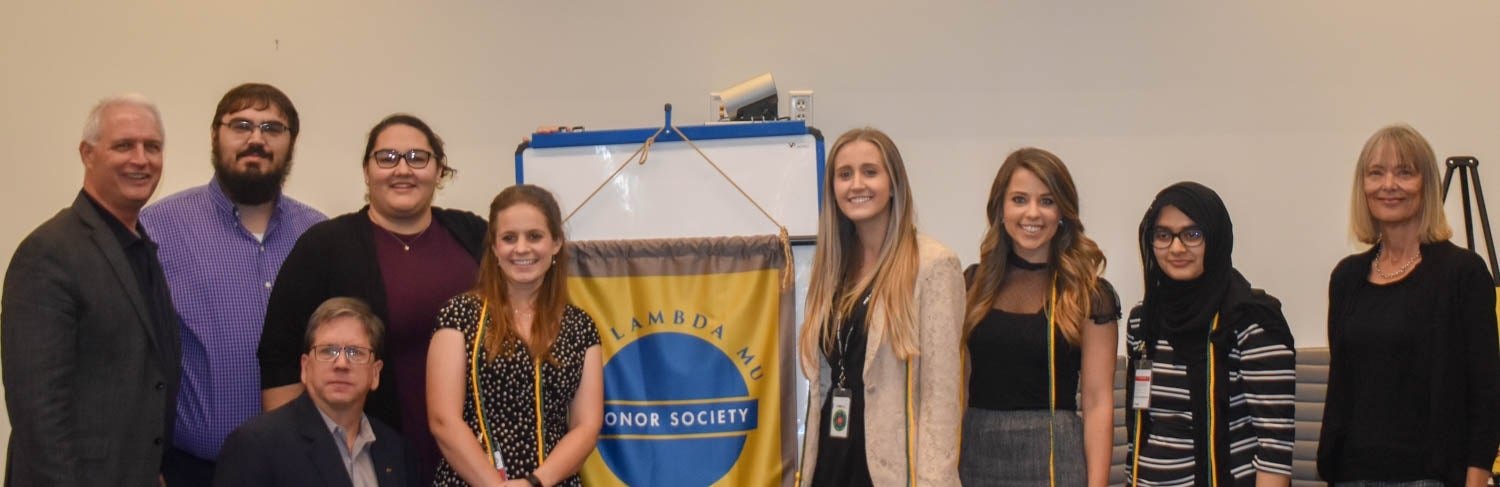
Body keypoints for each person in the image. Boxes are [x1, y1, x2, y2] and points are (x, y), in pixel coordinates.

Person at [259, 113, 487, 480]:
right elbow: (281, 356)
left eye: (417, 157)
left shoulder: (473, 235)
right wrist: (288, 457)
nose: (402, 169)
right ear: (367, 171)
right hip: (372, 460)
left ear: (440, 171)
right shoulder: (325, 247)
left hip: (478, 457)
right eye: (387, 157)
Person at [141, 82, 327, 484]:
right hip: (191, 472)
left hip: (300, 472)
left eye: (272, 129)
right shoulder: (158, 229)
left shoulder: (321, 235)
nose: (256, 139)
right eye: (241, 125)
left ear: (291, 144)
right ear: (214, 135)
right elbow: (134, 357)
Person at [1, 94, 182, 485]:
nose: (141, 159)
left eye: (152, 147)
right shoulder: (50, 252)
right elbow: (38, 412)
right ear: (88, 154)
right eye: (124, 145)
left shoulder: (140, 247)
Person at [1317, 124, 1500, 487]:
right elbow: (1343, 386)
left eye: (1404, 172)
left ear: (1427, 185)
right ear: (1362, 186)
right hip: (1353, 474)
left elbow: (1487, 391)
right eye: (1376, 173)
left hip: (1431, 476)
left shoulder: (1462, 273)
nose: (1389, 185)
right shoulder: (1347, 278)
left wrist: (1476, 479)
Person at [795, 128, 964, 486]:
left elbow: (942, 398)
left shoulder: (933, 265)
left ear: (893, 184)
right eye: (845, 174)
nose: (857, 184)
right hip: (831, 458)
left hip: (892, 470)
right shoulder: (831, 268)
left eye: (870, 171)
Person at [958, 148, 1118, 486]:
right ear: (1000, 209)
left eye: (1047, 201)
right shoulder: (971, 284)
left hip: (1056, 457)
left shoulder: (1090, 292)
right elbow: (956, 388)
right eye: (1019, 199)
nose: (1033, 213)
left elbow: (1098, 400)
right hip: (974, 454)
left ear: (1062, 211)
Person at [427, 184, 603, 487]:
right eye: (509, 238)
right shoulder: (458, 315)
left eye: (534, 236)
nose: (521, 249)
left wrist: (536, 483)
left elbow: (586, 426)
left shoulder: (580, 326)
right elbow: (444, 420)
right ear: (494, 248)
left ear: (556, 243)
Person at [1124, 181, 1295, 486]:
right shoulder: (1143, 321)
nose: (1176, 248)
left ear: (1215, 238)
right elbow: (1141, 426)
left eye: (1192, 234)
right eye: (1163, 235)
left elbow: (1275, 450)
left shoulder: (1252, 320)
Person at [216, 297, 422, 487]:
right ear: (305, 368)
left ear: (375, 373)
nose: (341, 364)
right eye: (327, 351)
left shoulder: (397, 452)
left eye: (355, 352)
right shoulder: (256, 445)